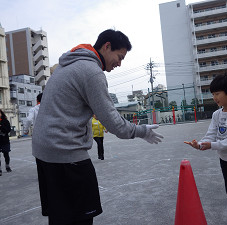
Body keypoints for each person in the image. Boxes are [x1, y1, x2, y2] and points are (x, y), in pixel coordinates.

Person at [32, 29, 163, 225]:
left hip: (44, 152)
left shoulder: (66, 65)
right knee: (80, 218)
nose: (119, 63)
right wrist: (142, 131)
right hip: (66, 153)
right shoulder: (91, 71)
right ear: (106, 46)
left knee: (60, 216)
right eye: (119, 56)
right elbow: (112, 121)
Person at [185, 74, 227, 225]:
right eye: (213, 94)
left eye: (217, 94)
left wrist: (212, 145)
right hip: (225, 161)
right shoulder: (217, 114)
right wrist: (200, 144)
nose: (215, 98)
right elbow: (211, 135)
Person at [0, 109, 12, 176]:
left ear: (1, 113)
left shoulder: (5, 121)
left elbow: (8, 130)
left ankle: (7, 166)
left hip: (5, 141)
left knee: (6, 154)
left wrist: (1, 127)